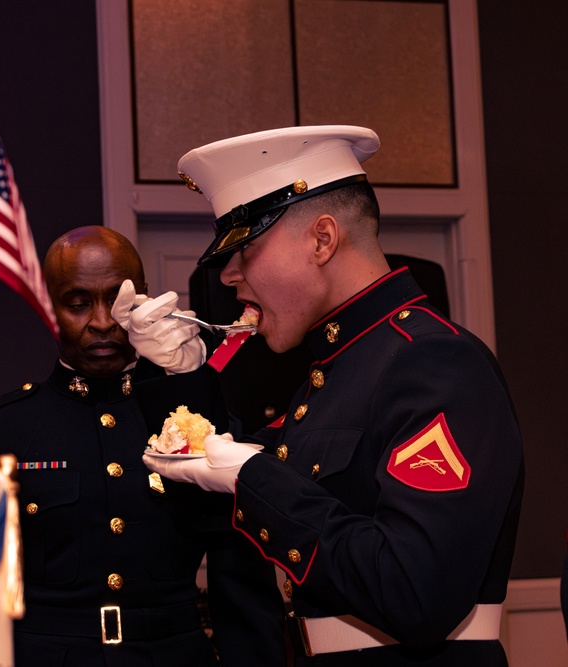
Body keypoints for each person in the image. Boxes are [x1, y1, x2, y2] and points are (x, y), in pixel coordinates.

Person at [120, 125, 525, 665]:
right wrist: (179, 374)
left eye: (248, 250)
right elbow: (210, 506)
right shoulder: (335, 368)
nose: (231, 275)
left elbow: (416, 594)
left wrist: (254, 476)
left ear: (323, 239)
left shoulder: (433, 361)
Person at [0, 226, 286, 665]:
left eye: (117, 300)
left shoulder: (193, 423)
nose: (103, 322)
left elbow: (239, 575)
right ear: (48, 307)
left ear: (143, 298)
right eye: (78, 304)